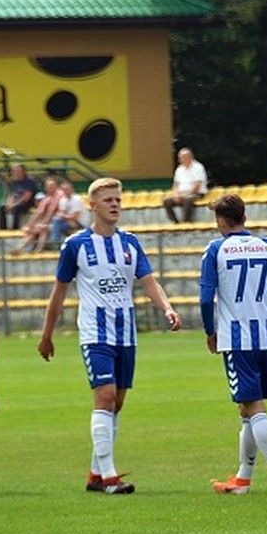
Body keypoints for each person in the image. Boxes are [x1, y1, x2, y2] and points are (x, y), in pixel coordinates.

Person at [38, 177, 182, 495]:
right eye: (108, 200)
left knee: (115, 403)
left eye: (118, 199)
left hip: (126, 335)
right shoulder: (75, 245)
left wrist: (167, 308)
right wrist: (47, 334)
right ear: (93, 205)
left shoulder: (129, 243)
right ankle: (109, 477)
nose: (115, 204)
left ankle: (94, 475)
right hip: (95, 334)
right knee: (103, 398)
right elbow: (58, 293)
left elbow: (148, 282)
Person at [200, 194, 267, 497]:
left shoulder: (216, 249)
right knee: (246, 407)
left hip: (236, 336)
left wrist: (209, 331)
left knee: (253, 405)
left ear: (220, 220)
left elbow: (206, 298)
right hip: (265, 336)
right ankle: (243, 479)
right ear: (243, 216)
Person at [11, 177, 62, 254]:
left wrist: (44, 223)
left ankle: (38, 250)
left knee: (43, 229)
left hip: (58, 222)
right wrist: (30, 224)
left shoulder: (59, 195)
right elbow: (39, 211)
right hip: (49, 223)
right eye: (48, 186)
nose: (50, 188)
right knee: (32, 230)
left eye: (52, 186)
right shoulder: (47, 197)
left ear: (56, 186)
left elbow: (51, 211)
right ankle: (20, 248)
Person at [163, 147, 208, 223]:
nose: (180, 160)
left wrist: (185, 195)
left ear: (188, 157)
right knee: (167, 202)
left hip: (196, 193)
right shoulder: (179, 169)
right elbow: (176, 185)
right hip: (182, 194)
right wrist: (176, 195)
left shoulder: (198, 168)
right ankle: (175, 222)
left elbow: (197, 185)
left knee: (187, 200)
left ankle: (186, 221)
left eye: (181, 158)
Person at [0, 164, 38, 230]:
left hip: (28, 202)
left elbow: (26, 197)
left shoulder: (29, 180)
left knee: (16, 208)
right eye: (13, 171)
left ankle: (15, 228)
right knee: (2, 207)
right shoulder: (15, 181)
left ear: (23, 172)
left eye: (17, 171)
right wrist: (8, 203)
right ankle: (3, 229)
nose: (14, 173)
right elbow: (11, 194)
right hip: (16, 201)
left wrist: (14, 204)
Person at [50, 180, 87, 245]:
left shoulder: (76, 199)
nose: (66, 191)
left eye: (68, 189)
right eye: (64, 190)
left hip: (80, 223)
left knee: (57, 223)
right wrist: (65, 217)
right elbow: (61, 214)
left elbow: (74, 217)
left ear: (72, 189)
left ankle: (55, 240)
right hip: (69, 222)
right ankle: (57, 240)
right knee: (55, 221)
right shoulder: (63, 200)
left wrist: (64, 216)